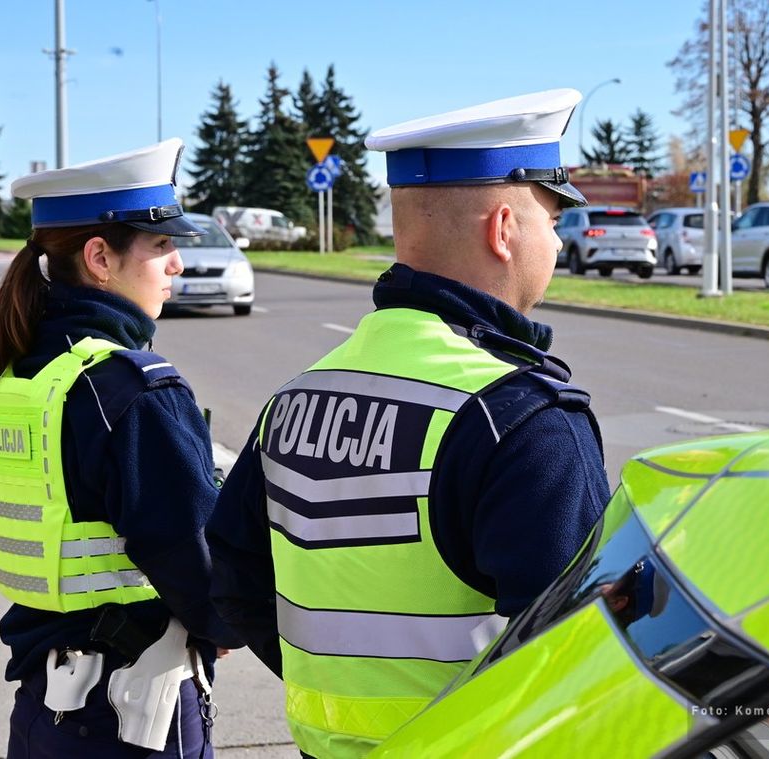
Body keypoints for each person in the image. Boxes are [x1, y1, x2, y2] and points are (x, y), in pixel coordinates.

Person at [206, 89, 611, 758]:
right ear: (503, 228)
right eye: (553, 220)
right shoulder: (522, 418)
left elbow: (235, 579)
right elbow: (583, 662)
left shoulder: (297, 397)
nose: (558, 241)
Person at [0, 138, 242, 758]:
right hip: (131, 714)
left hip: (45, 705)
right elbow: (197, 563)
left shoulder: (23, 376)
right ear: (99, 258)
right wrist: (227, 618)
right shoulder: (132, 389)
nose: (177, 267)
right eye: (163, 247)